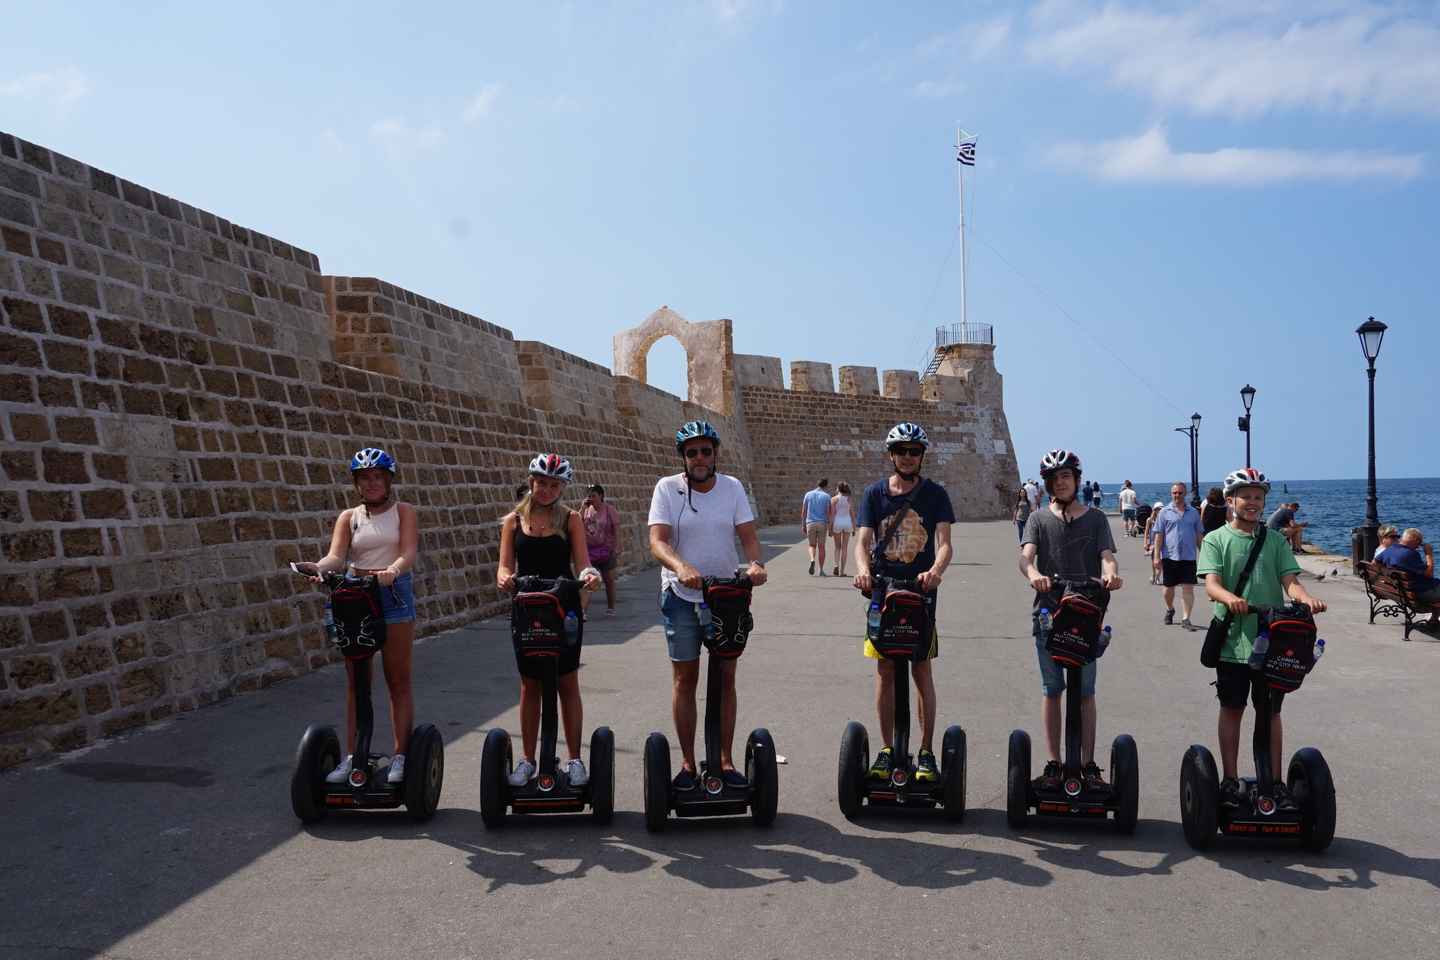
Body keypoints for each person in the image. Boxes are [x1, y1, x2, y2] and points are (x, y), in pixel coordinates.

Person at [649, 421, 768, 791]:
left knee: (725, 679)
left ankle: (725, 760)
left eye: (705, 451)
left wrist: (756, 564)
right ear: (683, 458)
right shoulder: (668, 488)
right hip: (682, 597)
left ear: (715, 453)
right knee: (686, 680)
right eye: (691, 452)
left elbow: (747, 536)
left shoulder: (731, 488)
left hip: (726, 595)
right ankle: (687, 763)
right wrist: (681, 567)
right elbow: (658, 540)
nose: (699, 458)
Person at [1198, 468, 1327, 810]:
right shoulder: (1216, 539)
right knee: (1233, 708)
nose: (1254, 503)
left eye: (1259, 498)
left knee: (1270, 712)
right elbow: (1210, 583)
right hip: (1233, 641)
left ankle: (1276, 782)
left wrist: (1304, 598)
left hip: (1274, 640)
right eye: (1247, 497)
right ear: (1231, 501)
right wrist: (1229, 598)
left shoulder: (1274, 540)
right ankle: (1228, 779)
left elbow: (1290, 581)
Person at [306, 448, 420, 785]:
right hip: (355, 596)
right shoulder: (349, 517)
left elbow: (409, 552)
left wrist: (393, 570)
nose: (371, 483)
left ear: (388, 480)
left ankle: (401, 756)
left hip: (393, 593)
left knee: (397, 679)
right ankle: (354, 754)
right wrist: (318, 569)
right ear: (357, 483)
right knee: (357, 683)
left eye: (377, 477)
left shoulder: (404, 512)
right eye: (364, 478)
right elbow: (336, 556)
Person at [853, 422, 954, 785]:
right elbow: (862, 541)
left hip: (921, 592)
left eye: (915, 451)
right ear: (892, 454)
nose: (908, 457)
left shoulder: (935, 494)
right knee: (884, 671)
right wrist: (863, 570)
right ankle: (885, 749)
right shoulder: (874, 494)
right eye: (902, 451)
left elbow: (944, 542)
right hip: (883, 591)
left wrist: (936, 570)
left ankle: (925, 751)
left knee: (920, 669)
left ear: (921, 456)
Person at [1018, 449, 1122, 789]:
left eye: (1066, 476)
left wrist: (1111, 575)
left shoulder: (1095, 519)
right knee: (1052, 689)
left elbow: (1107, 557)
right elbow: (1026, 557)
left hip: (1085, 612)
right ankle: (1053, 762)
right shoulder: (1037, 519)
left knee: (1087, 691)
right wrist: (1033, 573)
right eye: (1054, 478)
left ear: (1076, 480)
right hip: (1048, 612)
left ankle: (1089, 764)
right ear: (1047, 484)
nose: (1060, 482)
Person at [496, 454, 602, 787]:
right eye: (541, 482)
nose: (546, 489)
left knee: (567, 681)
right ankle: (527, 760)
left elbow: (582, 562)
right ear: (531, 482)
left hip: (563, 605)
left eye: (554, 484)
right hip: (527, 606)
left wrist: (589, 575)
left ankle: (574, 759)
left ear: (562, 487)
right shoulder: (513, 521)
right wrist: (503, 578)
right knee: (530, 685)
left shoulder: (570, 519)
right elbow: (504, 566)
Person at [1152, 482, 1205, 630]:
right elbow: (1159, 535)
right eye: (1174, 493)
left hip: (1188, 556)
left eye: (1180, 493)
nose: (1177, 495)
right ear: (1171, 494)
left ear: (1185, 493)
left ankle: (1186, 618)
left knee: (1188, 588)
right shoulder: (1164, 512)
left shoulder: (1193, 512)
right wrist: (1157, 556)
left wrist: (1205, 554)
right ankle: (1170, 609)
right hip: (1169, 556)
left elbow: (1199, 535)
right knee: (1168, 588)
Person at [1377, 528, 1440, 627]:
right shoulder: (1410, 554)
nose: (1419, 546)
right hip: (1419, 593)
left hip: (1401, 591)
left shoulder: (1390, 549)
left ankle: (1434, 619)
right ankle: (1434, 617)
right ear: (1414, 539)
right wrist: (1429, 554)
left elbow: (1374, 563)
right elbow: (1429, 574)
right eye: (1419, 542)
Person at [582, 484, 622, 616]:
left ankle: (611, 608)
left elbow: (616, 529)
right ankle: (583, 611)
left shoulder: (609, 510)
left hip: (606, 549)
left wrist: (617, 546)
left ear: (601, 496)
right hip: (590, 551)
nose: (591, 498)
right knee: (587, 580)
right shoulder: (586, 510)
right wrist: (582, 508)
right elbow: (576, 523)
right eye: (589, 496)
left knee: (608, 580)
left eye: (594, 495)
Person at [801, 478, 832, 576]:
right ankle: (821, 570)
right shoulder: (827, 496)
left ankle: (812, 559)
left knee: (812, 545)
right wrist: (830, 526)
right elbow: (828, 513)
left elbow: (804, 511)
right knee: (821, 547)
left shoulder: (808, 494)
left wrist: (803, 524)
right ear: (826, 486)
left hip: (810, 523)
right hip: (822, 523)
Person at [829, 481, 855, 577]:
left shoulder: (834, 499)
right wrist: (854, 527)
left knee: (837, 547)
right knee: (845, 548)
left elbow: (832, 515)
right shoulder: (849, 499)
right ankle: (842, 571)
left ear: (838, 489)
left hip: (837, 522)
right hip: (847, 522)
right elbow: (852, 514)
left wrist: (830, 528)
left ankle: (836, 565)